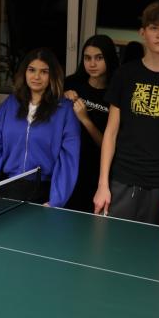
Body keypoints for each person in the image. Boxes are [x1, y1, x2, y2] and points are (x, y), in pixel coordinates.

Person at [93, 1, 159, 224]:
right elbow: (111, 132)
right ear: (142, 32)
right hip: (121, 178)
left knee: (156, 243)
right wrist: (103, 184)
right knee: (111, 240)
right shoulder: (125, 74)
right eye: (154, 28)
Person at [0, 49, 80, 206]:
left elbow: (68, 159)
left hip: (44, 191)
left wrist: (56, 201)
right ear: (24, 72)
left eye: (44, 72)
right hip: (9, 188)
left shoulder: (64, 110)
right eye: (32, 70)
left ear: (52, 76)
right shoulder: (10, 104)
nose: (36, 76)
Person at [63, 35, 118, 212]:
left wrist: (85, 119)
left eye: (99, 58)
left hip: (96, 169)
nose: (92, 64)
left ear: (109, 58)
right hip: (69, 164)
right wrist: (63, 98)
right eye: (87, 58)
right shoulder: (71, 84)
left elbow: (107, 143)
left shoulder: (115, 93)